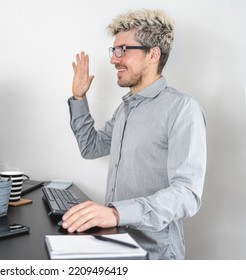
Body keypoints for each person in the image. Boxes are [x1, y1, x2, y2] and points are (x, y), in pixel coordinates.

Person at [63, 9, 207, 259]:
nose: (114, 59)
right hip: (118, 240)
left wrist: (117, 213)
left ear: (153, 54)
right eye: (114, 50)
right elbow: (91, 148)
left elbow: (187, 194)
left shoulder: (182, 108)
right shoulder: (126, 108)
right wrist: (79, 98)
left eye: (123, 50)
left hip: (155, 253)